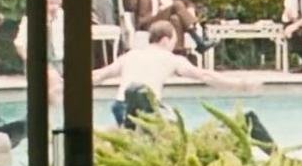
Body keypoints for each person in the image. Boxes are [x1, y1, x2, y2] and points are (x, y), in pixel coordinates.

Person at [92, 19, 260, 129]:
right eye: (174, 40)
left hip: (120, 105)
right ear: (165, 40)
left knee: (130, 134)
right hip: (146, 107)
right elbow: (205, 76)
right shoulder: (170, 58)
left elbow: (98, 76)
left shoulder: (131, 55)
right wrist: (240, 85)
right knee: (173, 127)